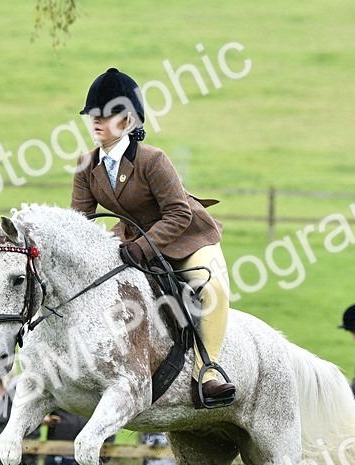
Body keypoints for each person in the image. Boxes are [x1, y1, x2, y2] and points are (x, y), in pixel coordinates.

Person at [71, 67, 235, 409]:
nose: (97, 122)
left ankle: (209, 373)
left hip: (187, 238)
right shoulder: (86, 164)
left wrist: (141, 248)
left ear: (128, 121)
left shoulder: (153, 160)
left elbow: (179, 214)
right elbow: (80, 222)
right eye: (93, 115)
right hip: (132, 241)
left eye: (106, 115)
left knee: (212, 289)